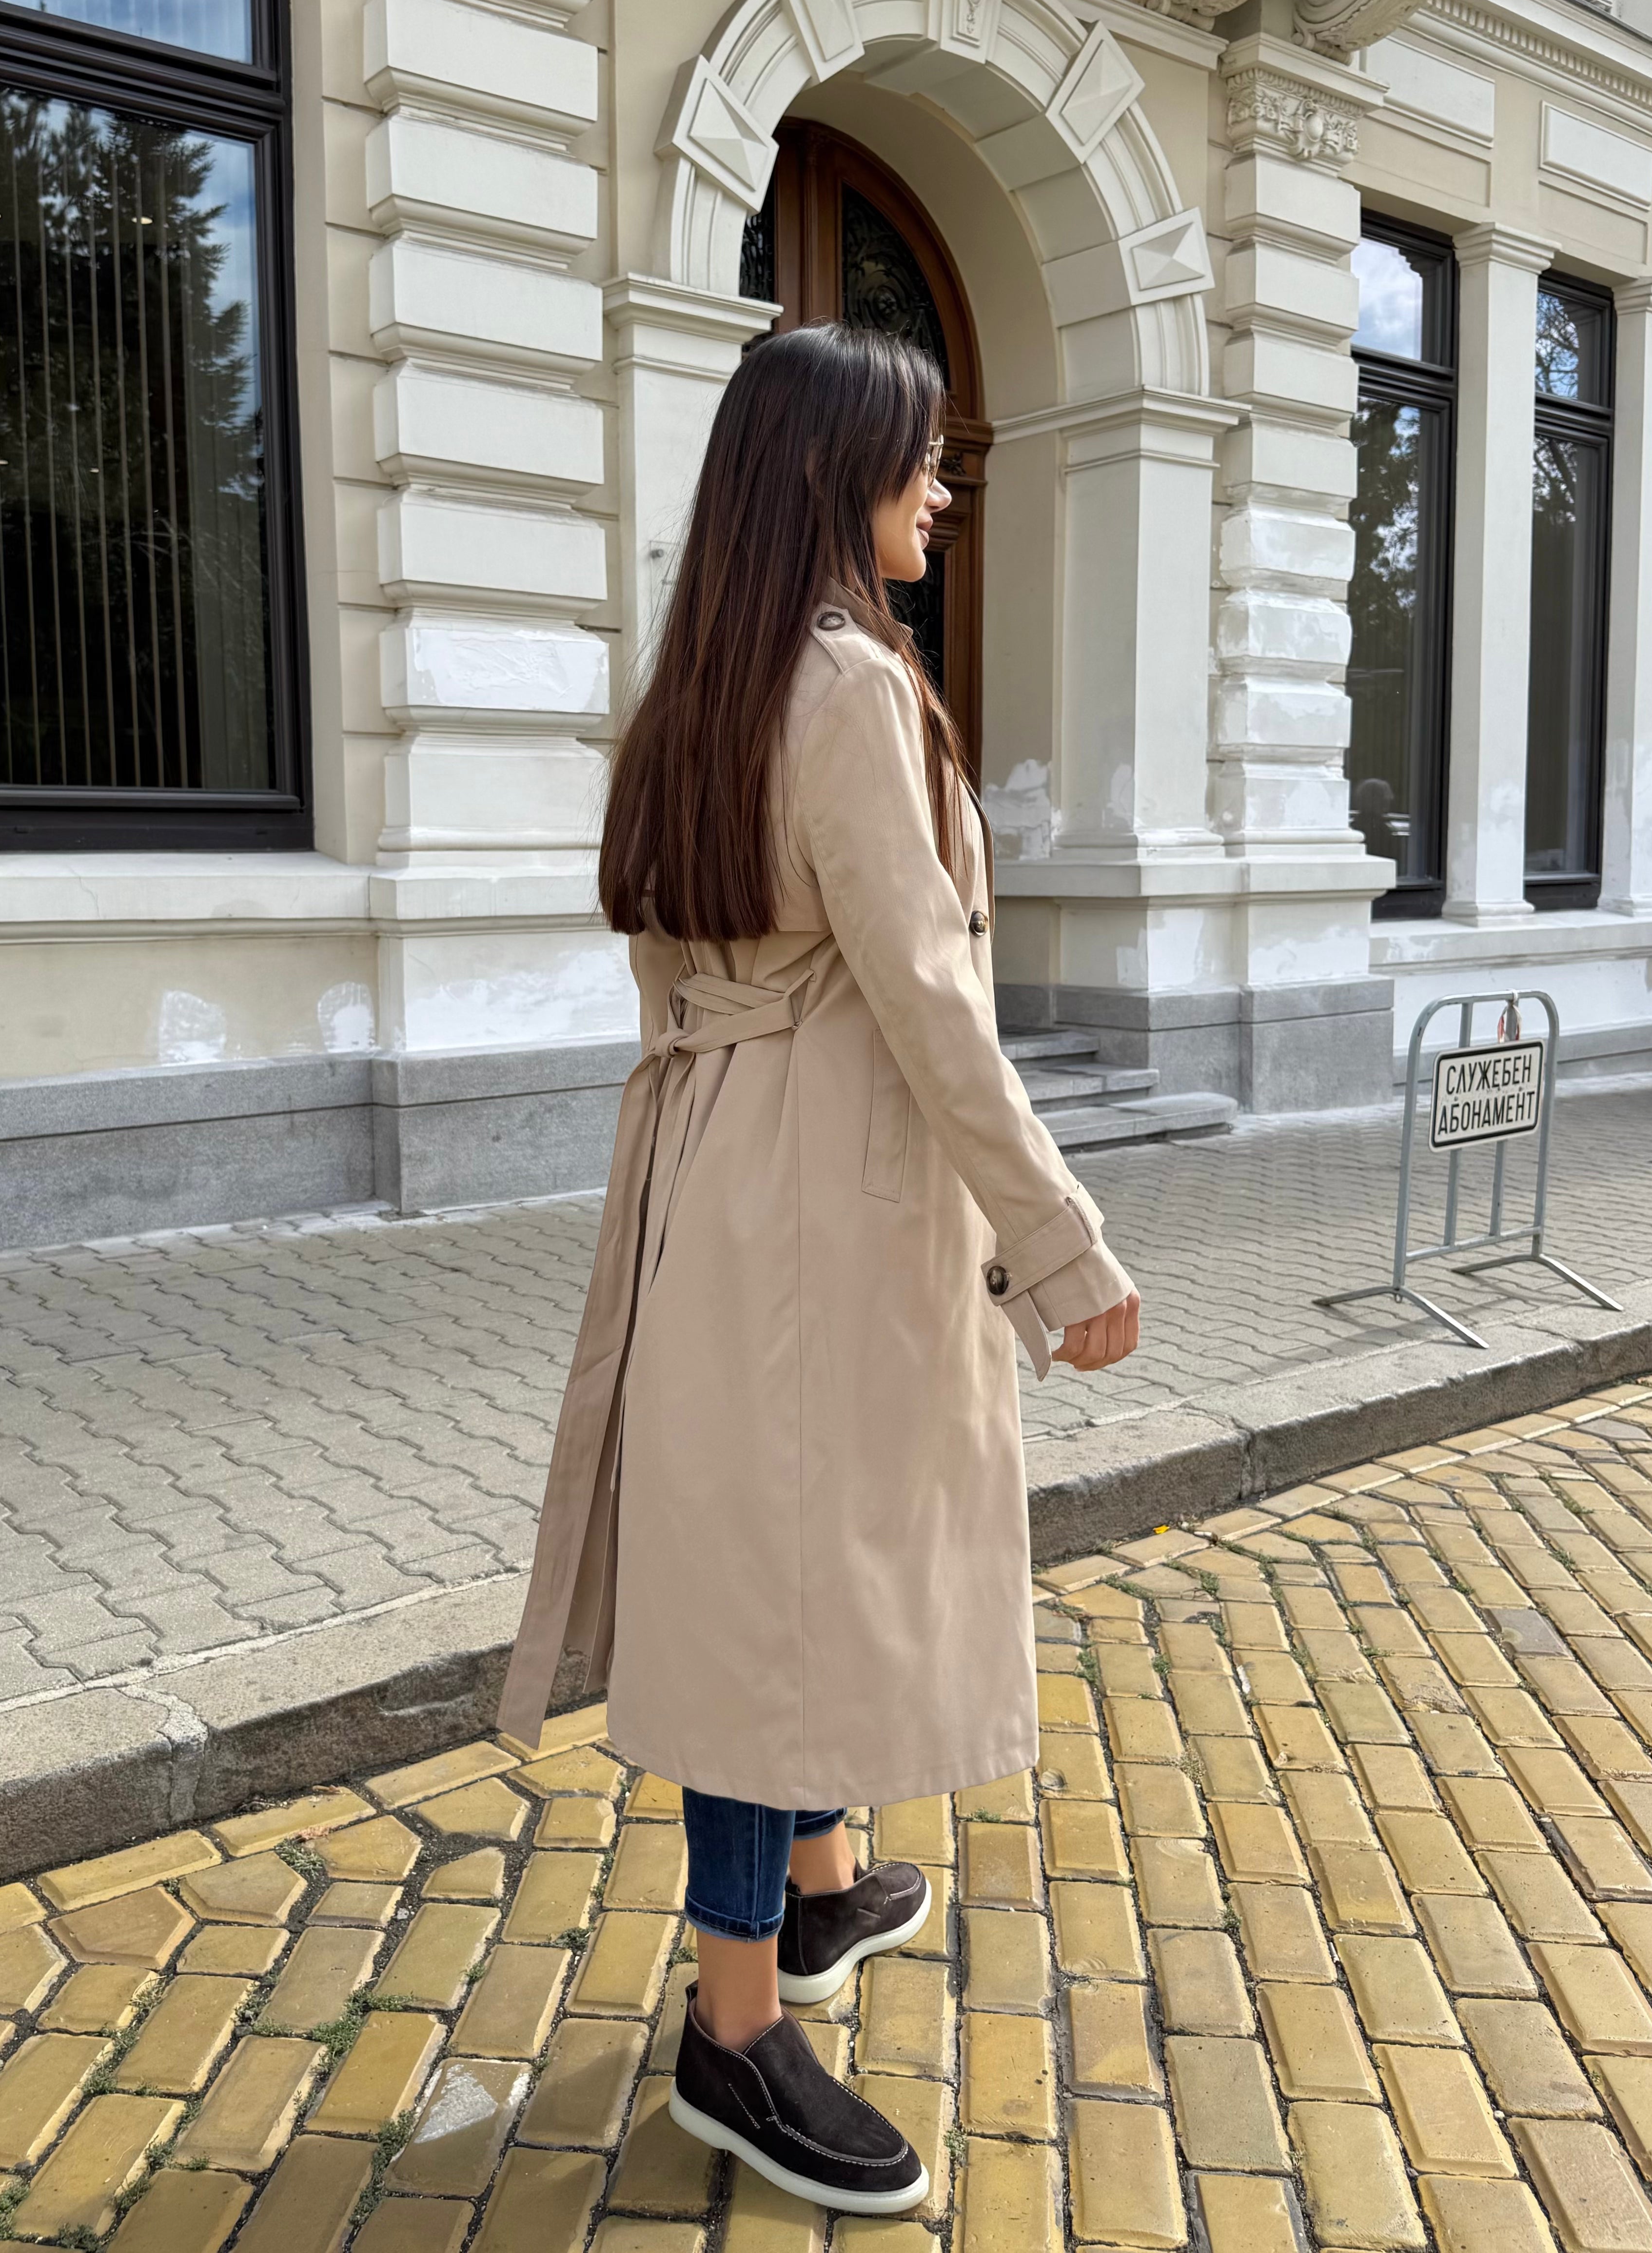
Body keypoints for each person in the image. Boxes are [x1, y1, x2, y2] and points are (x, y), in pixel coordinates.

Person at [499, 322, 1140, 2215]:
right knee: (770, 1605)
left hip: (726, 1178)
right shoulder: (847, 683)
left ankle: (814, 1877)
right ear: (829, 475)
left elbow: (681, 968)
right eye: (916, 458)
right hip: (818, 1206)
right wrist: (1062, 1244)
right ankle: (735, 2032)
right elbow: (933, 1000)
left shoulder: (709, 679)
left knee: (777, 1569)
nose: (943, 487)